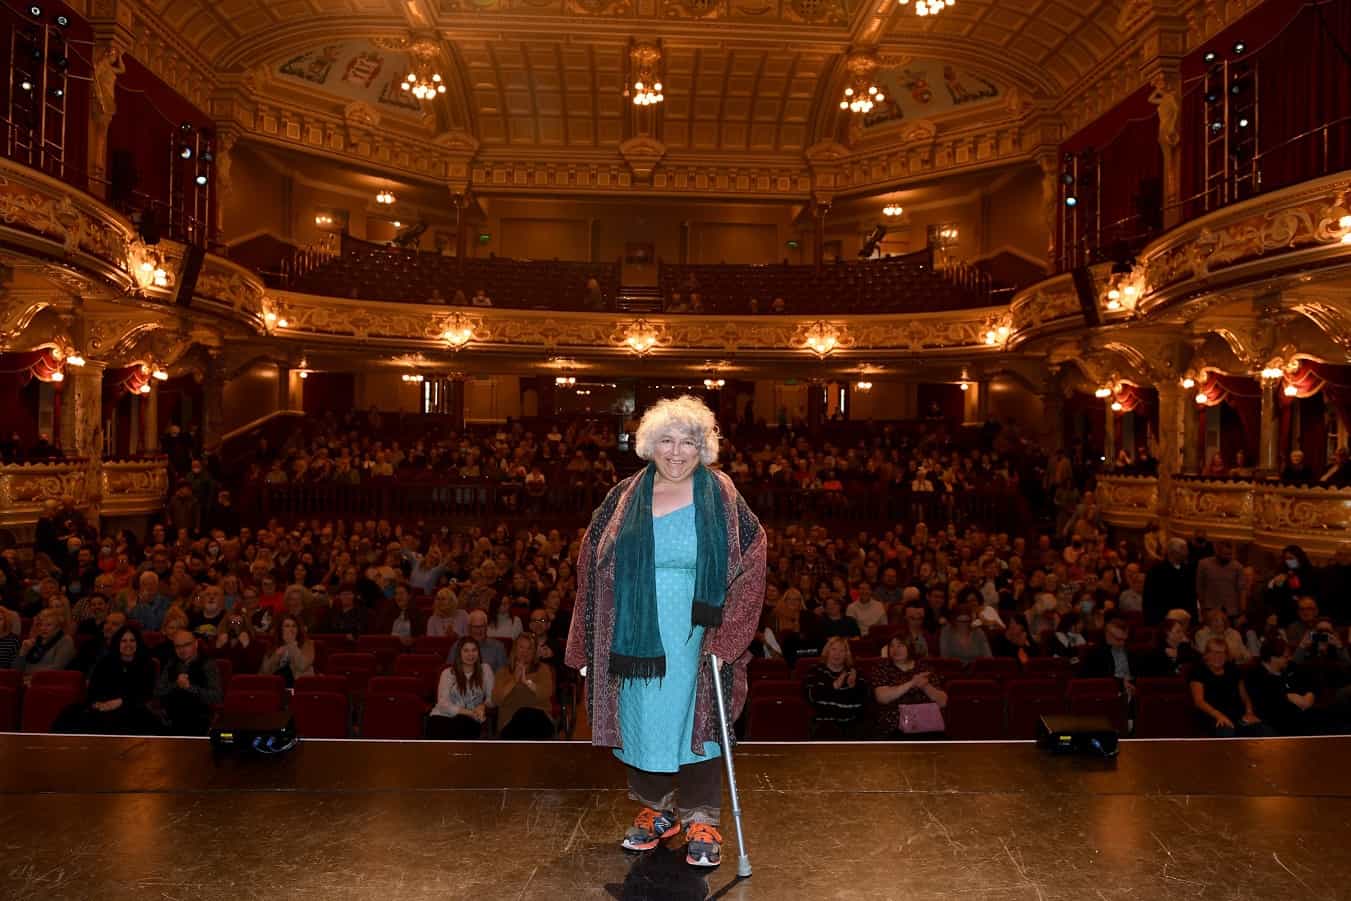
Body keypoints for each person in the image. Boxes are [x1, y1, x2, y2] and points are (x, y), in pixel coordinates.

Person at [566, 395, 765, 869]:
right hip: (632, 636)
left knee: (699, 723)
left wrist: (729, 639)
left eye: (689, 443)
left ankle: (702, 817)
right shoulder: (622, 496)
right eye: (667, 441)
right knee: (642, 723)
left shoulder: (721, 494)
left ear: (705, 448)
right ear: (649, 445)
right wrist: (588, 640)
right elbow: (590, 565)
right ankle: (656, 811)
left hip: (697, 635)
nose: (677, 452)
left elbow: (753, 560)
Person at [53, 626, 159, 735]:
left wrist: (120, 702)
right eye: (124, 641)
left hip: (132, 707)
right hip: (104, 705)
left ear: (138, 643)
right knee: (69, 714)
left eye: (132, 640)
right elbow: (94, 688)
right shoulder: (106, 662)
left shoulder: (147, 664)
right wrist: (98, 703)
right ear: (117, 643)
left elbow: (145, 692)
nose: (128, 644)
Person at [871, 634, 948, 739]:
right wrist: (911, 683)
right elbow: (882, 697)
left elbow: (943, 701)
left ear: (910, 648)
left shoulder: (924, 667)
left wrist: (925, 686)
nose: (895, 650)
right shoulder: (882, 667)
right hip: (894, 727)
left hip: (926, 725)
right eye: (892, 646)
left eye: (900, 646)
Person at [1188, 637, 1268, 737]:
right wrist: (1219, 716)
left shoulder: (1233, 669)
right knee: (1227, 732)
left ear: (1226, 656)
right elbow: (1199, 701)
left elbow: (1244, 696)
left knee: (1263, 730)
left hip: (1237, 716)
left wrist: (1249, 712)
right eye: (1214, 652)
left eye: (1222, 653)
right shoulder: (1198, 671)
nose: (1218, 656)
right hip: (1212, 716)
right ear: (1207, 654)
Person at [154, 630, 223, 735]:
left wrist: (189, 687)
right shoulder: (171, 664)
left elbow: (216, 697)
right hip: (171, 720)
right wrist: (176, 685)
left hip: (198, 720)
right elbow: (158, 692)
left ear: (196, 644)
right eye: (177, 646)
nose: (182, 650)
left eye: (186, 645)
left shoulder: (208, 665)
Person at [427, 637, 494, 738]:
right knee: (439, 725)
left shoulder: (485, 669)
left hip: (471, 719)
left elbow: (492, 698)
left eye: (474, 650)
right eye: (466, 650)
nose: (470, 654)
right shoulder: (448, 673)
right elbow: (442, 703)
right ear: (459, 653)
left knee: (463, 722)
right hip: (443, 716)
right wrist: (469, 712)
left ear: (478, 652)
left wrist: (483, 705)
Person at [492, 633, 556, 739]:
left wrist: (527, 682)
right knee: (522, 714)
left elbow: (547, 692)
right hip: (510, 721)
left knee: (527, 714)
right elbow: (496, 699)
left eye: (529, 648)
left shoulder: (543, 669)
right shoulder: (503, 671)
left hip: (540, 719)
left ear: (534, 652)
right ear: (514, 650)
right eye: (521, 647)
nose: (525, 652)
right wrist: (514, 681)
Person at [803, 637, 869, 738]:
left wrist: (853, 687)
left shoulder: (855, 673)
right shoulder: (815, 671)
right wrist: (835, 685)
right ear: (827, 651)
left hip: (852, 725)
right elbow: (812, 696)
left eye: (842, 650)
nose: (837, 654)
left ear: (846, 654)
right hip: (823, 725)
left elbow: (863, 702)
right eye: (833, 649)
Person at [1142, 538, 1194, 625]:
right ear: (1174, 552)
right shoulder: (1156, 571)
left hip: (1185, 618)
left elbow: (1191, 595)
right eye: (1185, 549)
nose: (1187, 553)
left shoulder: (1187, 570)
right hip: (1163, 619)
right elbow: (1150, 598)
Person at [12, 609, 75, 679]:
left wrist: (29, 673)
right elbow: (16, 670)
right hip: (26, 679)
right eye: (41, 624)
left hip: (49, 681)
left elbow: (57, 668)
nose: (43, 628)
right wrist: (22, 652)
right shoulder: (35, 640)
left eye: (48, 625)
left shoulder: (65, 641)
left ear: (58, 627)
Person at [260, 614, 316, 685]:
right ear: (280, 629)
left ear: (298, 629)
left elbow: (302, 666)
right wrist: (276, 656)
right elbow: (265, 672)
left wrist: (291, 644)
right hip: (276, 685)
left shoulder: (307, 644)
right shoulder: (273, 644)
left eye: (294, 626)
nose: (291, 629)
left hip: (300, 685)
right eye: (287, 626)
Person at [1195, 540, 1246, 617]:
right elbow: (1199, 587)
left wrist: (1243, 612)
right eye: (1225, 554)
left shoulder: (1238, 567)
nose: (1228, 557)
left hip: (1231, 610)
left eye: (1230, 554)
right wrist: (1202, 608)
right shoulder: (1203, 564)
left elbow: (1241, 590)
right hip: (1210, 608)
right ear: (1217, 552)